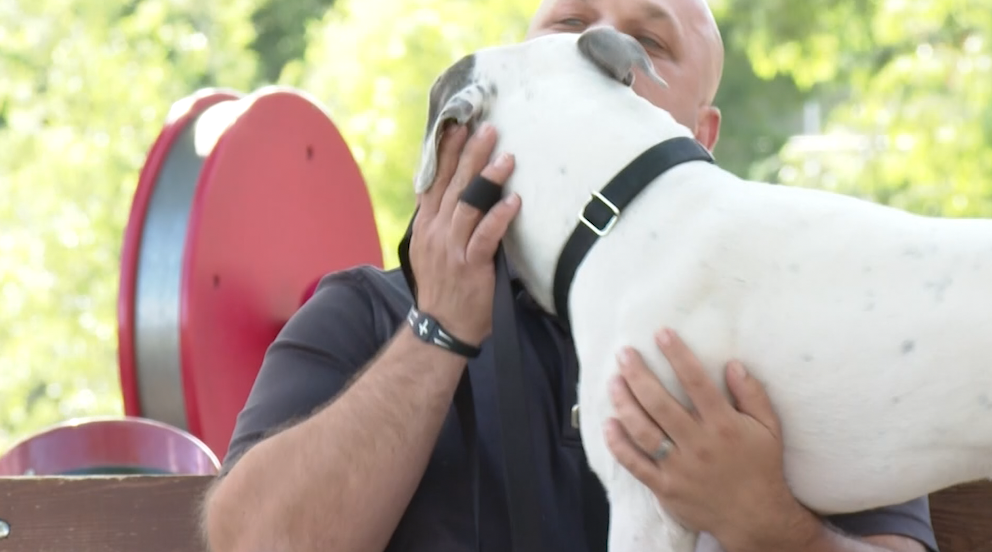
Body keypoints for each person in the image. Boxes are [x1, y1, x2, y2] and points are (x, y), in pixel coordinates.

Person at [201, 0, 940, 550]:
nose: (596, 57)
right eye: (568, 28)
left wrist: (765, 522)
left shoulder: (792, 336)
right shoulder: (365, 313)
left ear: (701, 137)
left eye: (646, 43)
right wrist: (436, 331)